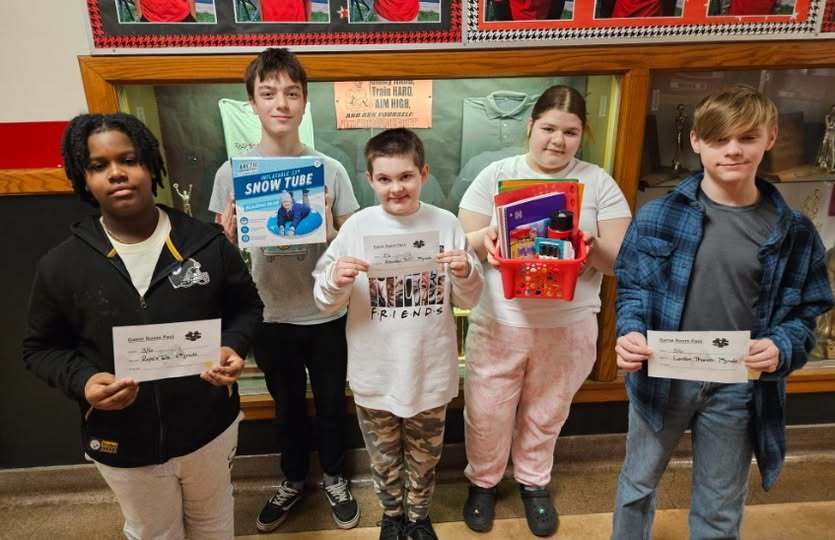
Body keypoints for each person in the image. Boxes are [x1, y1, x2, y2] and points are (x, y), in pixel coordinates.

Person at [23, 112, 263, 539]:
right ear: (83, 177)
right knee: (154, 532)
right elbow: (40, 348)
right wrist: (83, 380)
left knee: (214, 524)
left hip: (208, 425)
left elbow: (247, 308)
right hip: (122, 437)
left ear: (150, 165)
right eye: (99, 166)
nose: (117, 174)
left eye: (129, 159)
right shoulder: (62, 265)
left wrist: (233, 346)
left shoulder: (206, 244)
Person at [611, 84, 834, 539]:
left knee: (720, 502)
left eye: (747, 137)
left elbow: (806, 313)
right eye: (719, 139)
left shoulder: (793, 231)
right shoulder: (657, 216)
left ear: (770, 137)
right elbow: (632, 288)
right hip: (662, 377)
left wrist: (781, 346)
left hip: (737, 386)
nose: (733, 150)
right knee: (636, 484)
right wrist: (631, 333)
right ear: (696, 141)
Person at [457, 84, 631, 537]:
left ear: (582, 135)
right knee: (487, 409)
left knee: (547, 410)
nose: (558, 140)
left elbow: (621, 262)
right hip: (500, 320)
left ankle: (534, 482)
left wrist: (589, 248)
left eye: (570, 132)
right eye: (549, 128)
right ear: (530, 126)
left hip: (569, 325)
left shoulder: (598, 182)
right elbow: (462, 246)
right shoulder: (496, 173)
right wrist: (491, 236)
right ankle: (483, 482)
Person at [209, 47, 361, 533]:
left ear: (304, 103)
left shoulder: (329, 170)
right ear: (251, 103)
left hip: (325, 311)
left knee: (333, 403)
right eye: (268, 93)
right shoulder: (231, 174)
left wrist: (326, 233)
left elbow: (353, 238)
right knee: (286, 406)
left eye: (292, 93)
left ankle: (335, 476)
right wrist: (228, 238)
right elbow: (221, 252)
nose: (281, 103)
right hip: (268, 315)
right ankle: (294, 478)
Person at [313, 128, 484, 540]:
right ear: (369, 179)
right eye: (385, 179)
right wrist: (336, 279)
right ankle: (391, 516)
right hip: (375, 372)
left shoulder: (445, 224)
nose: (396, 188)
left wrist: (466, 270)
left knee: (425, 457)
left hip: (430, 371)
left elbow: (470, 299)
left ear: (423, 173)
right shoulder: (356, 227)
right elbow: (324, 300)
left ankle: (419, 516)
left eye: (405, 176)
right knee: (384, 457)